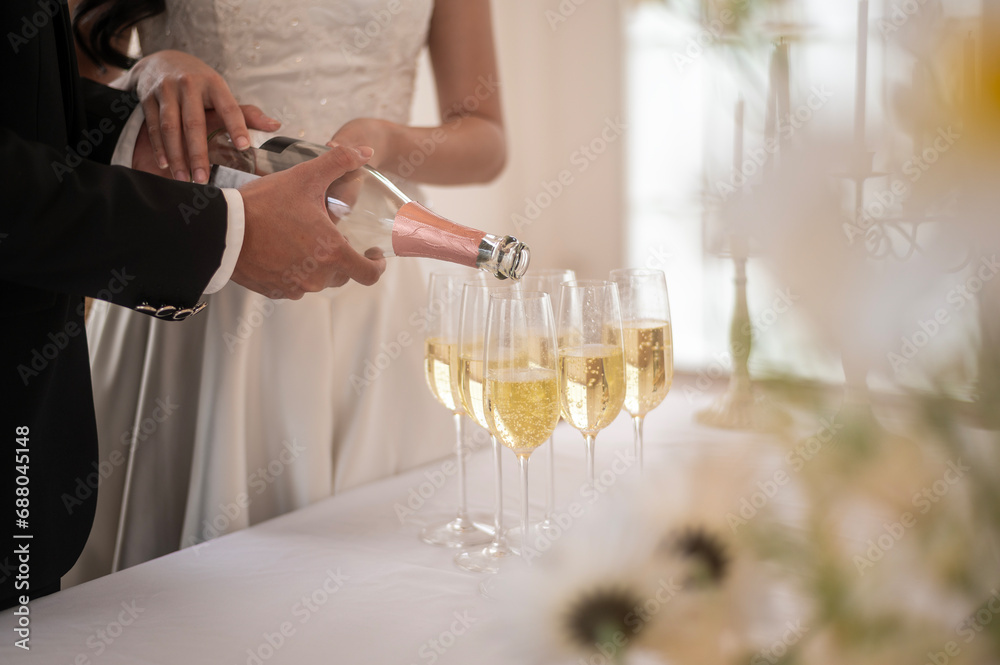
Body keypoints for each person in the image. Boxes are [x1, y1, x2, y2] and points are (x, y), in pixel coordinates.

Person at [65, 0, 506, 583]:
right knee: (193, 594)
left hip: (371, 273)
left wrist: (384, 142)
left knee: (387, 579)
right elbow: (56, 115)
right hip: (198, 260)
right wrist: (146, 73)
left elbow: (486, 139)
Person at [0, 0, 386, 610]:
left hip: (320, 261)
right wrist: (226, 231)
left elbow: (28, 102)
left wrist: (154, 130)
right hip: (186, 300)